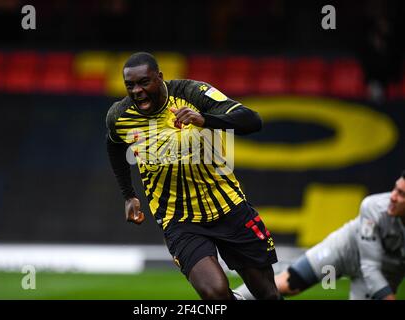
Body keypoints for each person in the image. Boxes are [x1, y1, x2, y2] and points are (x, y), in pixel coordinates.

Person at [106, 52, 280, 300]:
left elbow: (252, 121)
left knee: (268, 294)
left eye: (144, 82)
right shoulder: (120, 116)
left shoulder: (192, 93)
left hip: (228, 206)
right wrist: (128, 195)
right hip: (178, 219)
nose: (137, 91)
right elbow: (113, 145)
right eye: (130, 85)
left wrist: (205, 119)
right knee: (215, 293)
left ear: (160, 77)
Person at [234, 170, 405, 300]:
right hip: (346, 249)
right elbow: (370, 265)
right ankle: (230, 298)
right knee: (289, 283)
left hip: (385, 269)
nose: (393, 197)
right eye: (395, 189)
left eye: (401, 194)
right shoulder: (374, 206)